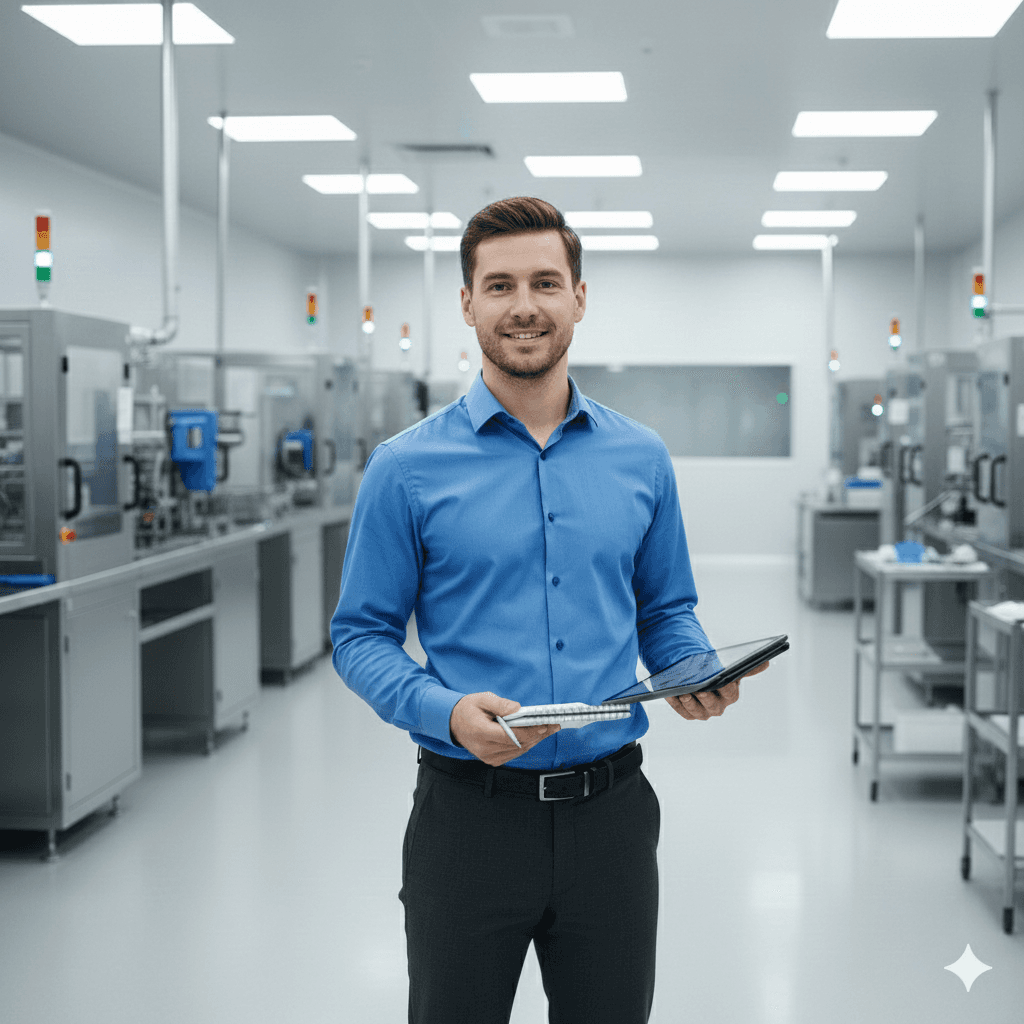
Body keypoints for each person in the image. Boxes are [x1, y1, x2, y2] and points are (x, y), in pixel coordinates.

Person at [331, 196, 767, 1024]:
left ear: (579, 297)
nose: (523, 305)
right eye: (499, 286)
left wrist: (692, 668)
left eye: (545, 282)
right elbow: (360, 636)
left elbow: (666, 608)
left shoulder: (641, 457)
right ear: (468, 304)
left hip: (612, 822)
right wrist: (445, 710)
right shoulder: (405, 468)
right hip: (469, 821)